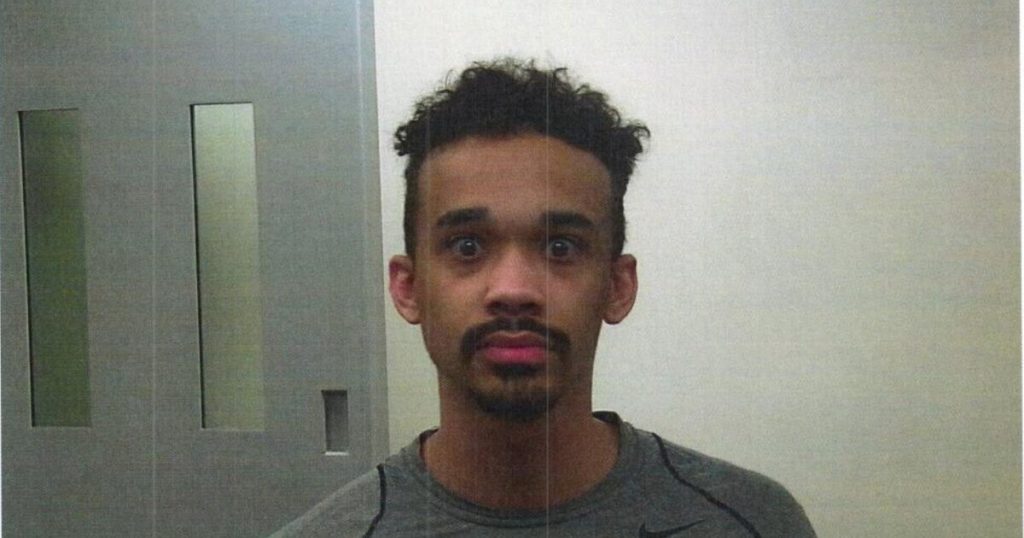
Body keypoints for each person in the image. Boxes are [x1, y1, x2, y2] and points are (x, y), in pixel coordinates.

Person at [273, 58, 816, 537]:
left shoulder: (751, 522)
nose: (514, 290)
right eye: (467, 246)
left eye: (561, 247)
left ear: (617, 286)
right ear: (407, 287)